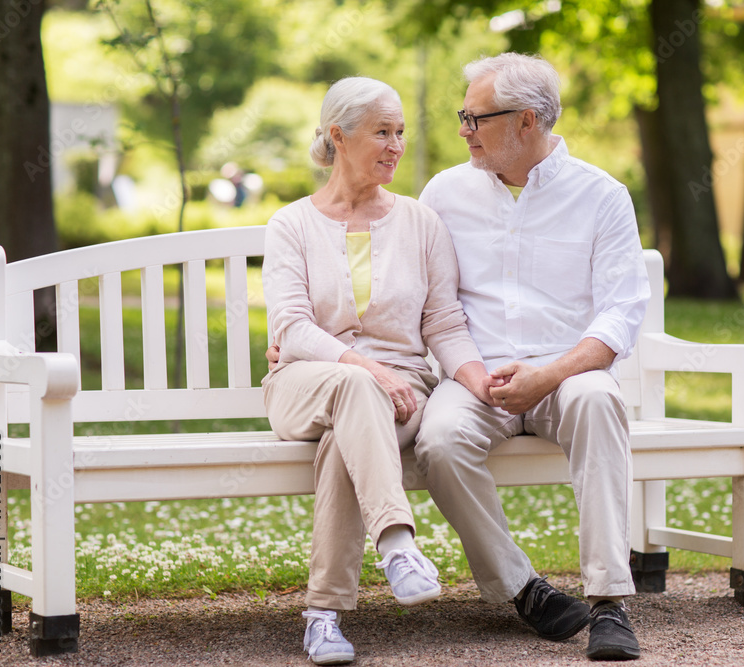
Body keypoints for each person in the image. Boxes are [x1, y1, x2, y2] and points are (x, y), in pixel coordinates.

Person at [414, 53, 650, 661]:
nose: (462, 128)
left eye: (474, 117)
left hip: (567, 373)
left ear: (525, 121)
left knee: (599, 400)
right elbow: (417, 296)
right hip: (474, 374)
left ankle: (608, 603)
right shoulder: (443, 193)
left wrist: (550, 373)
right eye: (461, 115)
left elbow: (621, 312)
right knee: (438, 440)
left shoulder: (602, 196)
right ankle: (524, 591)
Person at [262, 76, 495, 666]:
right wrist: (364, 365)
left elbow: (443, 323)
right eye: (382, 132)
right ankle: (397, 542)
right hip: (305, 381)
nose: (396, 145)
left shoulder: (421, 223)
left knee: (349, 434)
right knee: (353, 383)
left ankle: (323, 617)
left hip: (400, 392)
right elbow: (290, 328)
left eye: (400, 132)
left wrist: (480, 383)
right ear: (338, 136)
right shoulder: (291, 224)